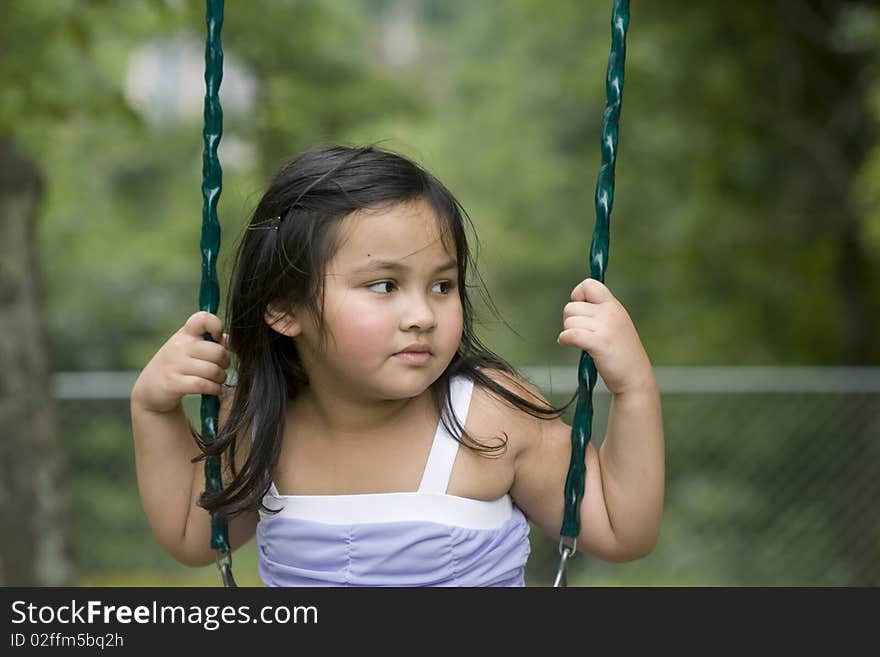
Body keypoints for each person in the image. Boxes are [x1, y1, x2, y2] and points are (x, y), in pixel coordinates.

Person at [131, 144, 664, 587]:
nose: (422, 315)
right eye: (384, 286)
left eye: (442, 285)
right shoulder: (261, 423)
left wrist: (634, 389)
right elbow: (192, 537)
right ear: (284, 307)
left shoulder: (490, 415)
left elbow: (619, 529)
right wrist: (153, 408)